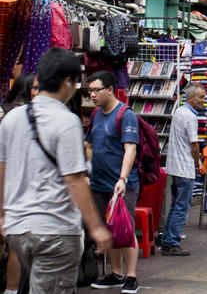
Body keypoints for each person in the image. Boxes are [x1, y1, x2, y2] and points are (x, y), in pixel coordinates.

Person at [0, 48, 112, 292]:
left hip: (19, 228)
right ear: (67, 82)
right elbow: (74, 180)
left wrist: (3, 214)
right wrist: (95, 227)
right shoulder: (66, 121)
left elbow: (2, 171)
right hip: (54, 230)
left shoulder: (11, 119)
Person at [86, 71, 140, 293]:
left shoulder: (125, 114)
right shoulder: (96, 114)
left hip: (120, 186)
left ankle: (131, 276)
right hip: (98, 184)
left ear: (110, 89)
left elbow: (130, 149)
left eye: (96, 90)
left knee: (125, 231)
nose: (92, 95)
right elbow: (89, 145)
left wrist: (122, 179)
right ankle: (116, 273)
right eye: (90, 91)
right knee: (109, 231)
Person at [0, 73, 36, 294]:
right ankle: (12, 289)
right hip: (18, 184)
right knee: (16, 244)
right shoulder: (26, 117)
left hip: (9, 182)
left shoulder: (5, 112)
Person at [161, 82, 203, 256]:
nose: (203, 100)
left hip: (175, 166)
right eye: (200, 97)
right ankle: (171, 242)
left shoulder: (179, 112)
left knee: (175, 205)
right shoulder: (190, 116)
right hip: (185, 167)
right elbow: (194, 145)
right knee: (181, 206)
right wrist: (198, 162)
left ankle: (168, 239)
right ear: (191, 98)